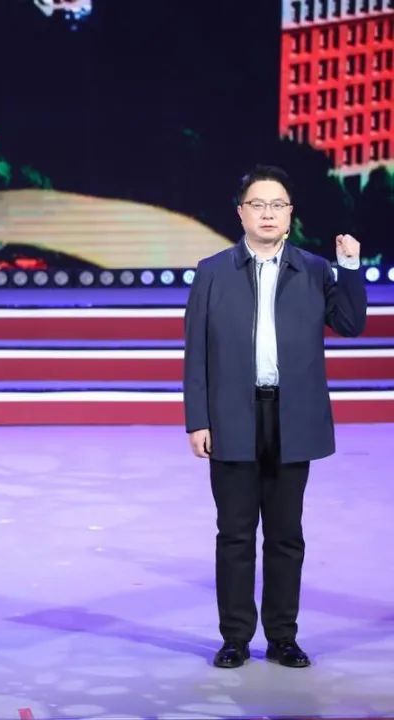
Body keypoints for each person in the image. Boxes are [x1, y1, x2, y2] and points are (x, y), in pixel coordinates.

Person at [183, 165, 367, 669]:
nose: (268, 213)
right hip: (231, 416)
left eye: (277, 205)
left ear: (290, 214)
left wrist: (350, 267)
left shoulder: (314, 269)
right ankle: (235, 638)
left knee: (286, 535)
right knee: (235, 534)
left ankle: (283, 637)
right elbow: (195, 352)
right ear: (241, 212)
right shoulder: (213, 271)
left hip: (292, 417)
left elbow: (351, 323)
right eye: (258, 204)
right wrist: (198, 419)